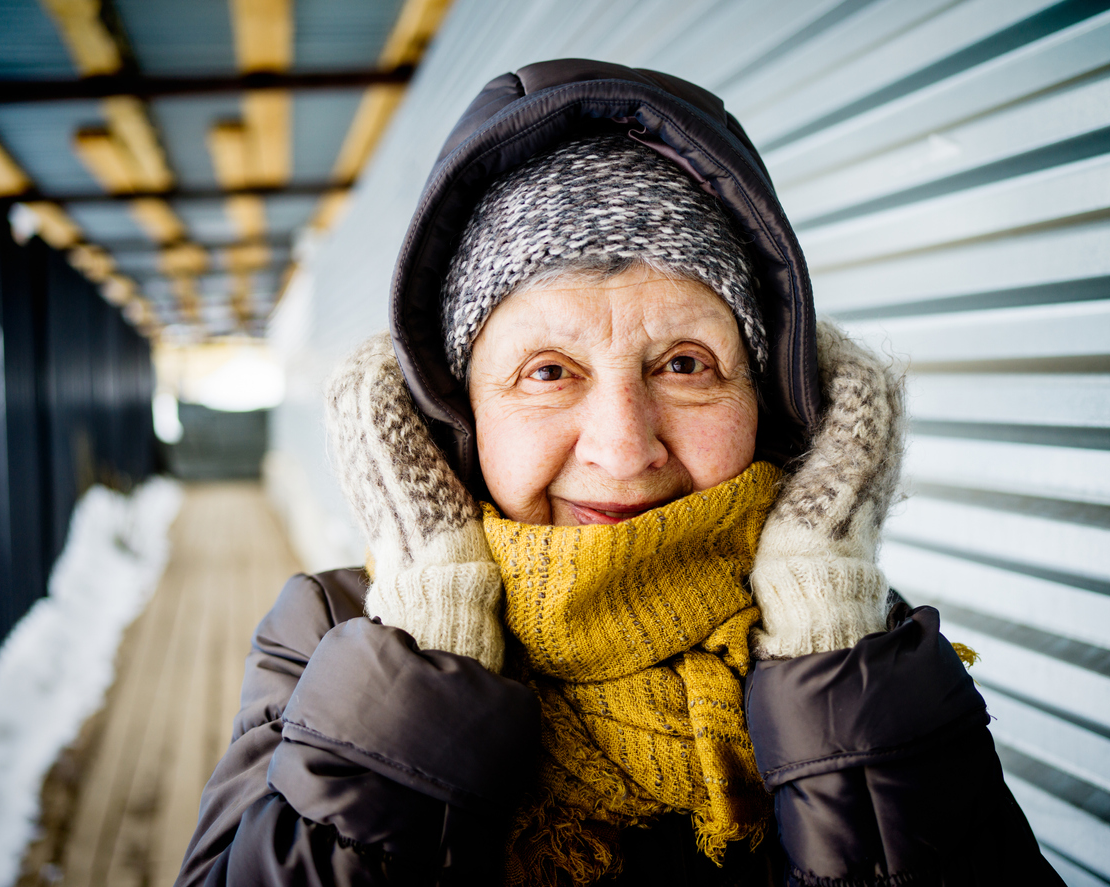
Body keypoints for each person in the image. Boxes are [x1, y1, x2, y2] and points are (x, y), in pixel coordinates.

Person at [175, 60, 1064, 887]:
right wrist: (428, 654)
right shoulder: (335, 633)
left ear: (770, 400)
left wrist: (831, 657)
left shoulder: (861, 649)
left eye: (684, 363)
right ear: (460, 412)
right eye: (547, 371)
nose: (621, 446)